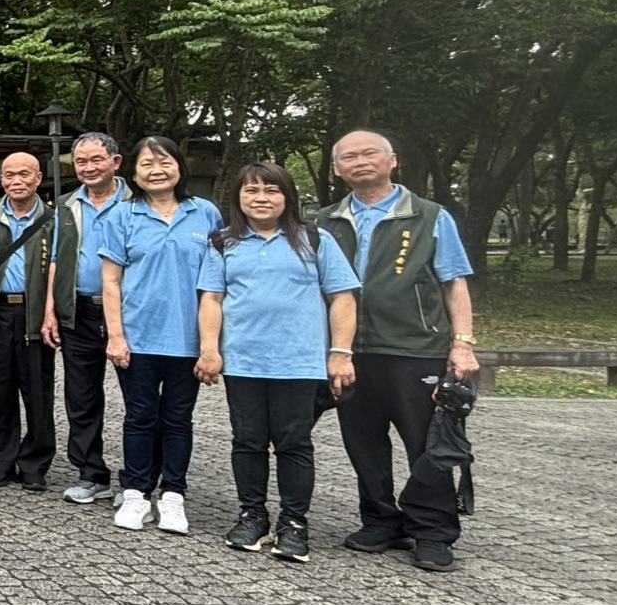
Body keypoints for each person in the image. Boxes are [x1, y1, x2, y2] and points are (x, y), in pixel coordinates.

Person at [317, 130, 480, 573]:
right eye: (349, 157)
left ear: (393, 160)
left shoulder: (429, 216)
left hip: (415, 347)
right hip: (348, 351)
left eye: (370, 153)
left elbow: (454, 282)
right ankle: (380, 520)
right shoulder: (325, 221)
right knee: (362, 441)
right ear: (337, 169)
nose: (360, 161)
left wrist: (462, 343)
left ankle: (432, 530)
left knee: (427, 443)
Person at [197, 162, 360, 564]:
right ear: (238, 198)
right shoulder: (222, 243)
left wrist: (340, 352)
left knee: (294, 443)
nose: (261, 198)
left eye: (271, 190)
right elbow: (212, 298)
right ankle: (252, 515)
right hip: (244, 361)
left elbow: (341, 296)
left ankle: (294, 522)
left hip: (299, 361)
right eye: (251, 191)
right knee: (247, 441)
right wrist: (209, 349)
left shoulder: (314, 239)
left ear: (288, 197)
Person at [100, 137, 223, 536]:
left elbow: (215, 286)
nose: (156, 170)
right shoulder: (122, 215)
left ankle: (173, 495)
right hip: (138, 337)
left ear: (179, 167)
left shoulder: (205, 213)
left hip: (188, 339)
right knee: (139, 417)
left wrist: (210, 345)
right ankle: (136, 492)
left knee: (177, 419)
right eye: (147, 164)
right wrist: (116, 336)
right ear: (134, 173)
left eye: (164, 161)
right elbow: (111, 282)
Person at [0, 152, 57, 490]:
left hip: (35, 313)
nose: (16, 181)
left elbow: (60, 267)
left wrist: (51, 313)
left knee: (38, 390)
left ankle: (34, 463)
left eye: (24, 174)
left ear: (38, 178)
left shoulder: (54, 219)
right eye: (9, 175)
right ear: (0, 178)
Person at [48, 132, 127, 505]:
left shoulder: (136, 202)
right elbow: (54, 260)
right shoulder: (66, 205)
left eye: (97, 159)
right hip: (78, 310)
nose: (89, 168)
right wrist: (50, 309)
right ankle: (91, 473)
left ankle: (138, 479)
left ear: (115, 161)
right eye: (81, 162)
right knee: (81, 398)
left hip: (127, 312)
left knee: (138, 399)